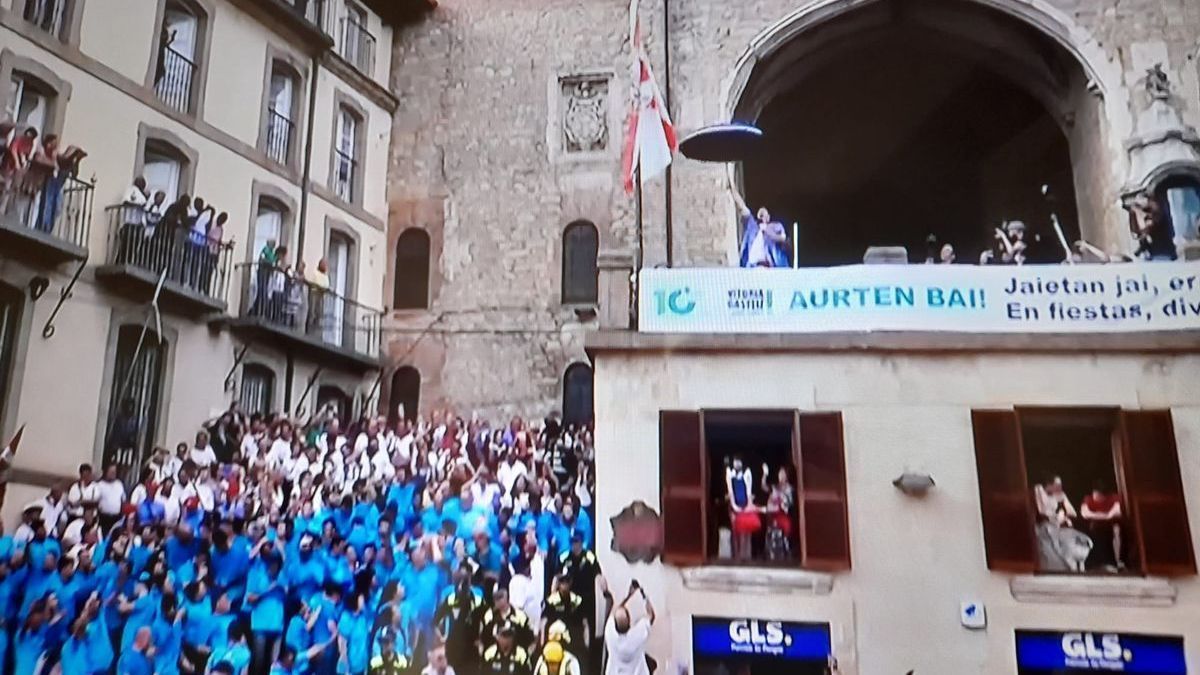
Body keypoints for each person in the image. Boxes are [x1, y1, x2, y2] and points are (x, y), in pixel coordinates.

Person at [603, 581, 655, 675]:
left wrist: (628, 596)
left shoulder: (610, 633)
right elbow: (651, 615)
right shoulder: (635, 637)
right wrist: (644, 596)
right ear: (629, 623)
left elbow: (614, 611)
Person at [732, 186, 789, 268]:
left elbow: (782, 239)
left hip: (772, 268)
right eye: (760, 212)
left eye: (764, 212)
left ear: (768, 217)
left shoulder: (777, 226)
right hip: (752, 268)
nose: (762, 214)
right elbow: (742, 207)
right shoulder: (752, 226)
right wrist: (732, 186)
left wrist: (766, 230)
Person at [1081, 482, 1124, 571]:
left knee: (1116, 531)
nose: (1095, 497)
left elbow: (1115, 512)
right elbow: (1085, 513)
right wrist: (1102, 515)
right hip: (1095, 526)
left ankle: (1118, 561)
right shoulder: (1088, 499)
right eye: (1094, 494)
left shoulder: (1113, 498)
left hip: (1111, 525)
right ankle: (1092, 563)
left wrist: (1102, 515)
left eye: (1097, 495)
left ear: (1103, 496)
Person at [725, 456, 758, 560]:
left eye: (739, 461)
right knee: (736, 530)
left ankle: (746, 555)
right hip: (734, 506)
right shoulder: (730, 473)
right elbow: (730, 491)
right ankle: (736, 555)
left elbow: (749, 490)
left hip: (745, 505)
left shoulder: (747, 473)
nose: (737, 463)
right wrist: (734, 506)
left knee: (746, 530)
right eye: (735, 461)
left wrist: (748, 505)